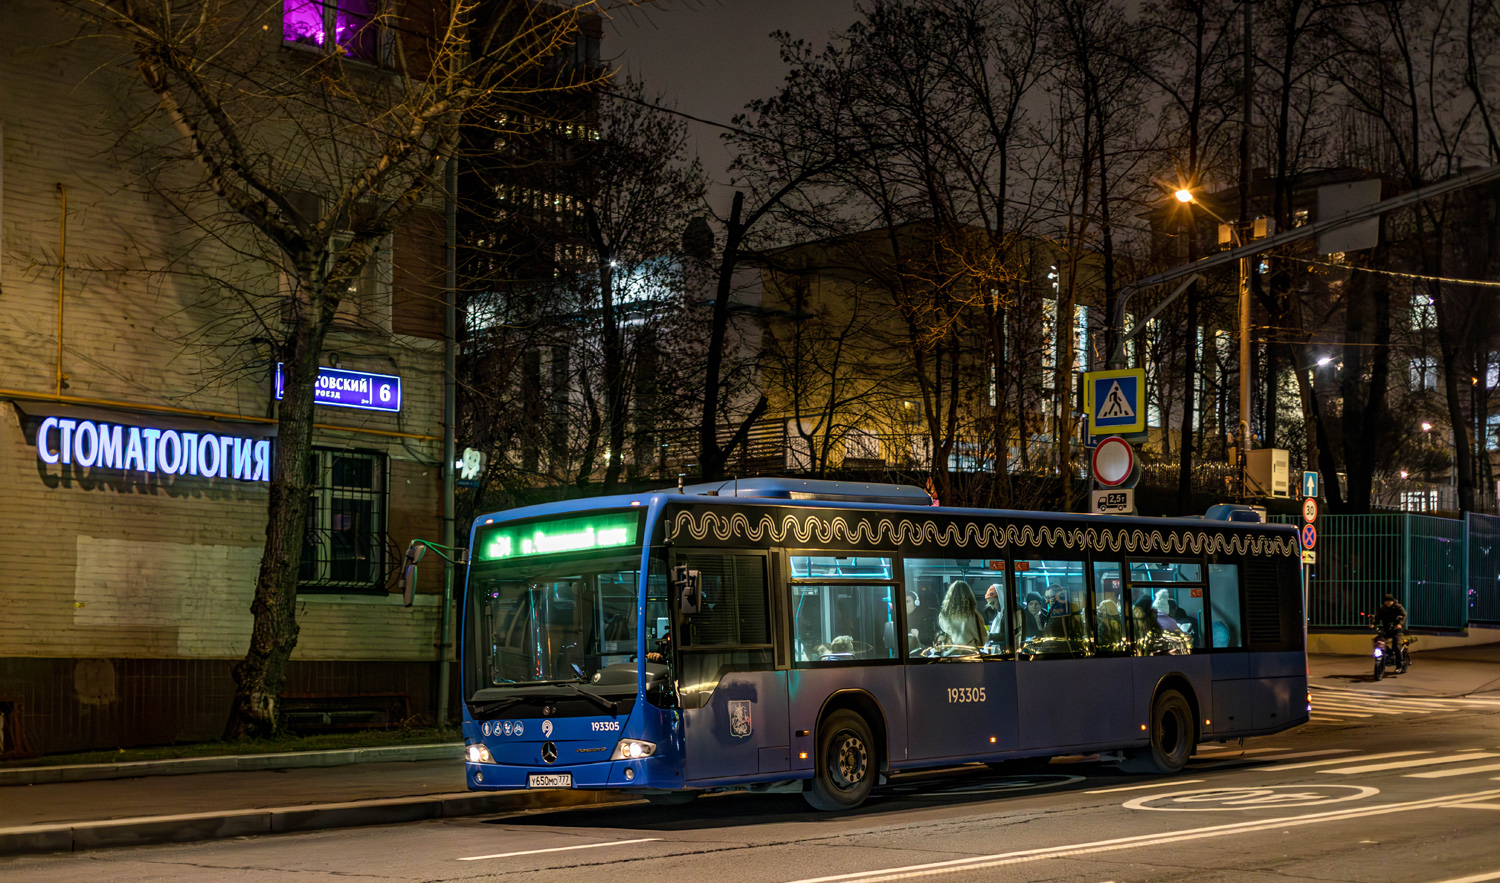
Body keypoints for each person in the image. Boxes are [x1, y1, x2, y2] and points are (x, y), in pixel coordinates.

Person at [938, 580, 986, 648]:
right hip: (971, 652)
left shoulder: (944, 615)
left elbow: (945, 629)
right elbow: (983, 635)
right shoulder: (975, 615)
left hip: (954, 651)